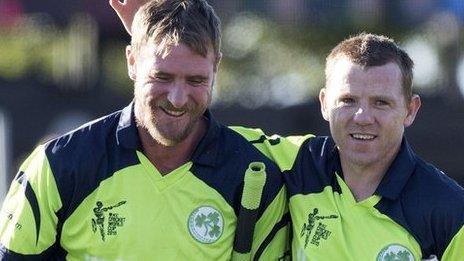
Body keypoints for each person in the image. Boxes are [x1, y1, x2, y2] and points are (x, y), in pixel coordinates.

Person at [0, 1, 291, 260]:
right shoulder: (57, 165)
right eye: (161, 76)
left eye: (196, 80)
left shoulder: (256, 171)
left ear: (216, 68)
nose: (178, 98)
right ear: (132, 62)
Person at [277, 33, 464, 260]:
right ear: (325, 104)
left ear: (411, 109)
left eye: (381, 102)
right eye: (348, 100)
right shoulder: (294, 162)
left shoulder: (450, 210)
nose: (363, 117)